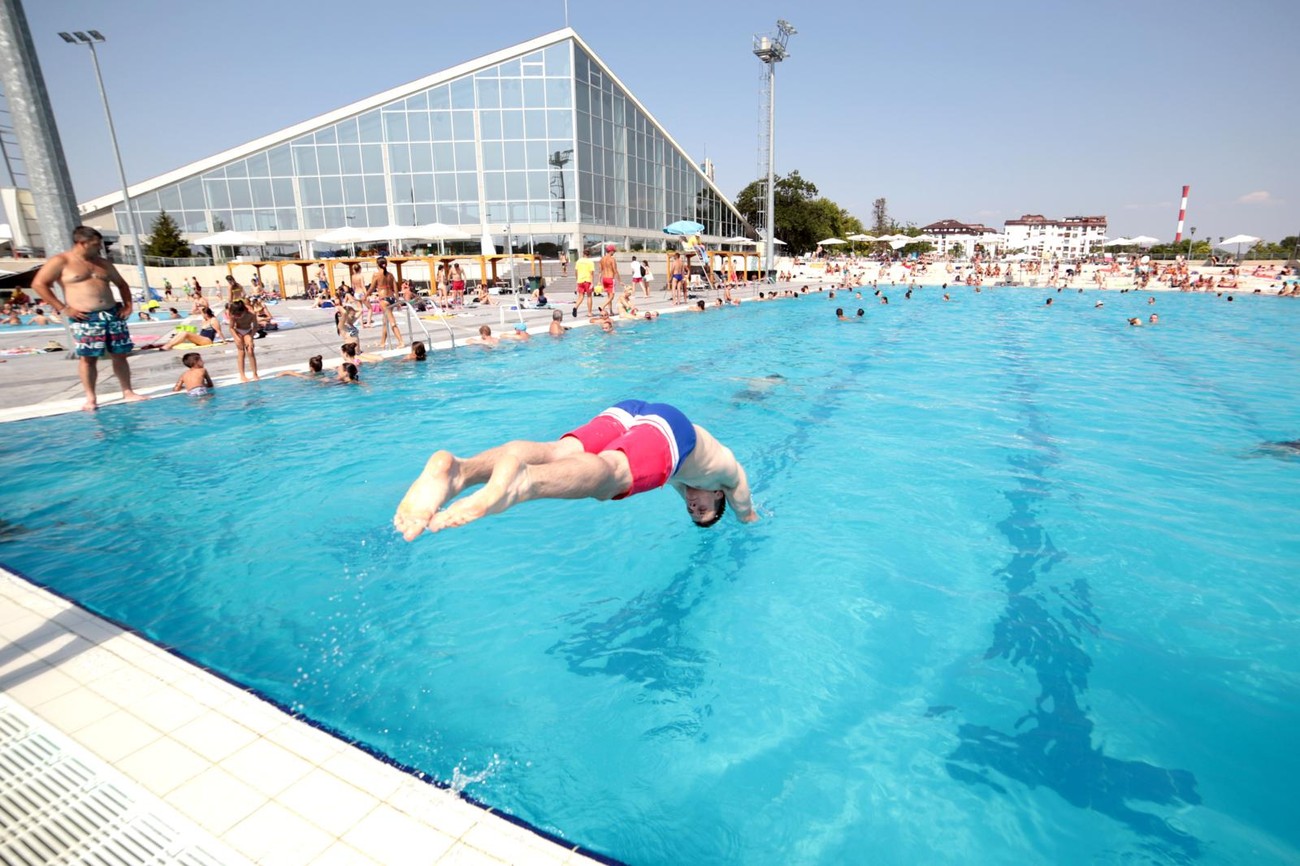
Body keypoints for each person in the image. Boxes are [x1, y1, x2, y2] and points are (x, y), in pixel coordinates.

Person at [393, 399, 758, 539]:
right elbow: (745, 506)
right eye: (704, 510)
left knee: (559, 450)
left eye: (693, 512)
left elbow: (683, 484)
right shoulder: (730, 478)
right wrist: (750, 520)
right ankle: (525, 483)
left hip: (633, 409)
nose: (694, 507)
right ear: (718, 494)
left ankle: (459, 472)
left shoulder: (691, 484)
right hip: (673, 429)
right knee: (611, 478)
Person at [31, 226, 145, 410]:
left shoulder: (103, 263)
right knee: (88, 358)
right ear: (82, 243)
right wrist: (63, 308)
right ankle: (91, 398)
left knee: (120, 354)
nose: (99, 248)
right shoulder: (61, 261)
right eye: (95, 244)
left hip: (111, 313)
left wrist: (128, 306)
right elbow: (38, 284)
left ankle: (128, 391)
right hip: (85, 316)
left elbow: (122, 285)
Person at [370, 256, 404, 349]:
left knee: (392, 321)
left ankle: (401, 341)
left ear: (377, 264)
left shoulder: (376, 275)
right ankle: (382, 342)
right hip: (391, 298)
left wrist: (366, 295)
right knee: (385, 321)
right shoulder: (390, 275)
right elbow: (396, 288)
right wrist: (397, 301)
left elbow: (372, 287)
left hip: (384, 299)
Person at [226, 299, 260, 381]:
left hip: (248, 330)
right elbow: (231, 327)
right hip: (238, 330)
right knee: (241, 352)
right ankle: (242, 375)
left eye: (239, 315)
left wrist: (251, 338)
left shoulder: (251, 313)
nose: (237, 317)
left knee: (250, 350)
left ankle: (255, 373)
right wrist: (236, 338)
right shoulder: (233, 314)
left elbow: (255, 327)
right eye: (236, 315)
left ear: (244, 310)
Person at [573, 251, 596, 318]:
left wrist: (577, 280)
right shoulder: (590, 262)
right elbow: (591, 273)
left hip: (580, 280)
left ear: (583, 254)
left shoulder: (578, 261)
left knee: (581, 296)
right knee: (589, 296)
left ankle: (575, 307)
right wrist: (592, 282)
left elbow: (576, 272)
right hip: (587, 280)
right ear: (589, 255)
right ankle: (589, 312)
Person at [598, 244, 618, 314]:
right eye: (614, 251)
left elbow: (600, 271)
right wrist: (620, 280)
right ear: (611, 251)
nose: (614, 252)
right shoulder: (612, 259)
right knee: (611, 296)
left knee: (609, 296)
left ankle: (611, 311)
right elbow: (615, 270)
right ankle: (602, 306)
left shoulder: (602, 259)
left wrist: (599, 281)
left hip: (604, 279)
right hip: (610, 278)